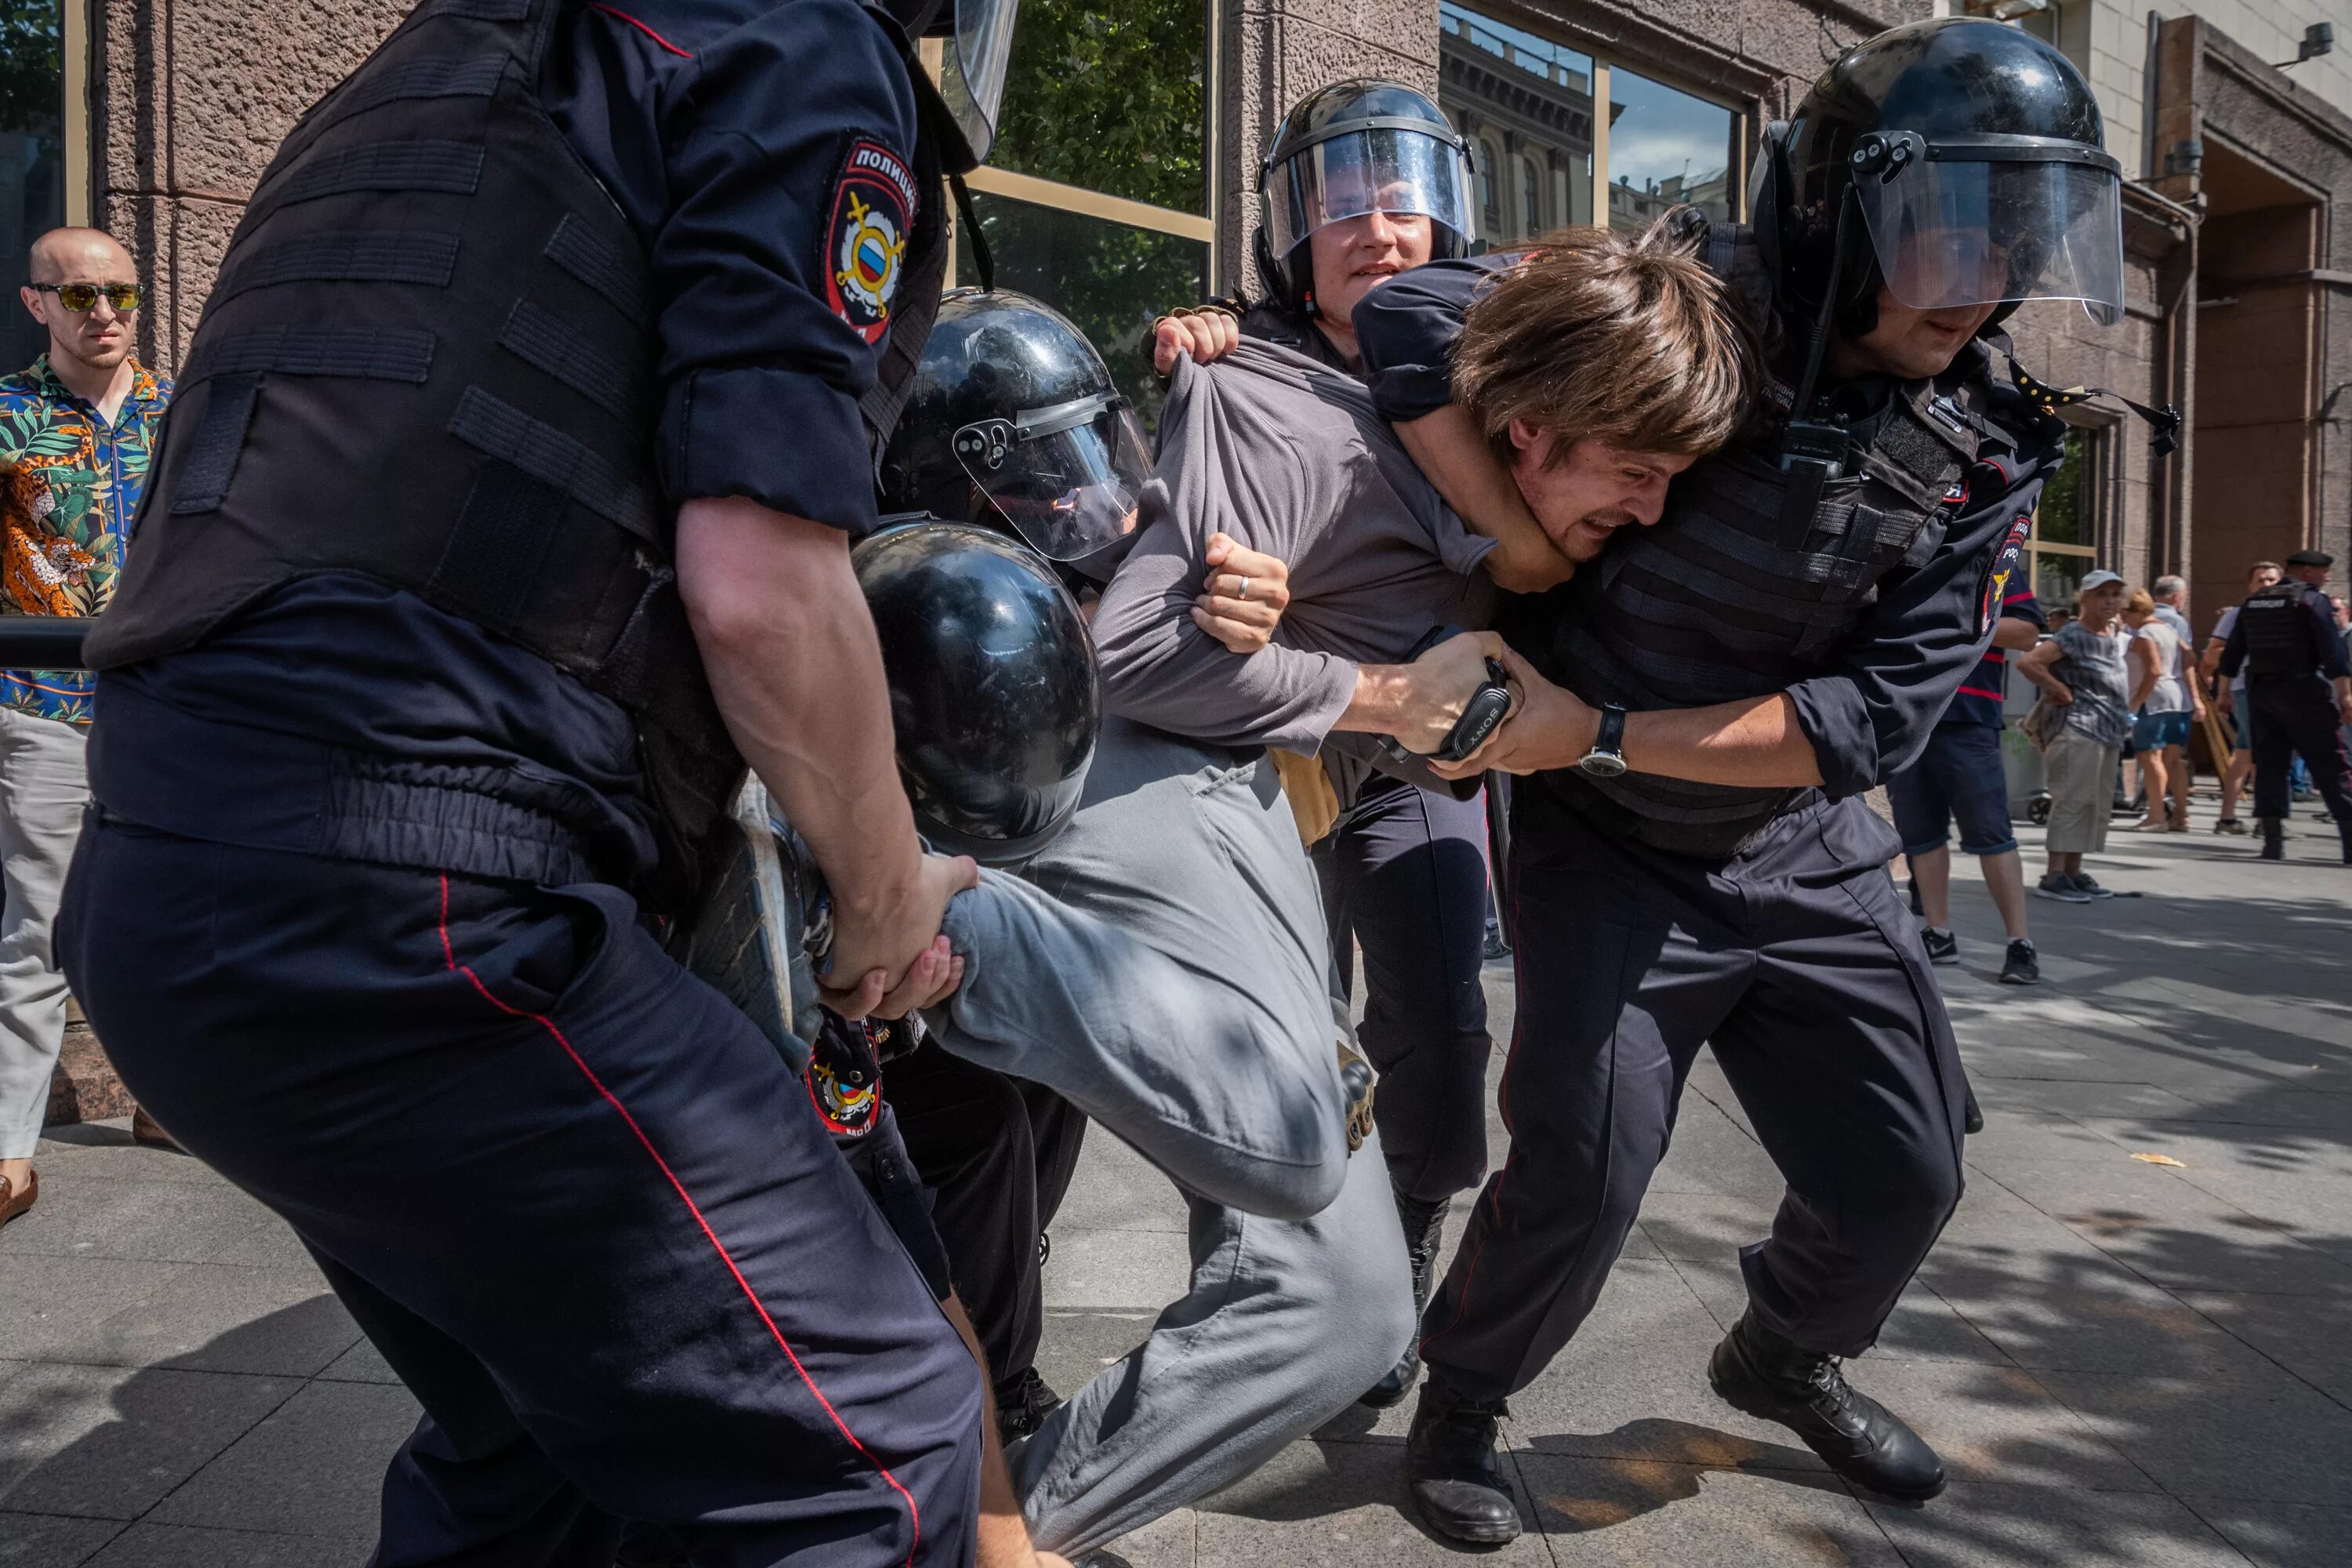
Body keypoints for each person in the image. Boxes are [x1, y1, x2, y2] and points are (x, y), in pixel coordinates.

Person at [57, 3, 1083, 1563]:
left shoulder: (436, 66)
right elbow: (760, 586)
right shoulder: (800, 47)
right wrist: (882, 897)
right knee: (878, 1454)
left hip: (172, 874)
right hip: (427, 898)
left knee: (548, 1466)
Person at [1346, 17, 2137, 1543]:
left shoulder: (1979, 439)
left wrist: (1596, 726)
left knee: (1905, 1166)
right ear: (1846, 205)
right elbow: (1411, 322)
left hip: (1802, 838)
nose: (1986, 277)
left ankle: (1784, 1351)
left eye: (2021, 236)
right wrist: (1512, 552)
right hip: (1609, 849)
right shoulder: (1692, 299)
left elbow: (1872, 717)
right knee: (1582, 1164)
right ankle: (1459, 1394)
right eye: (1954, 227)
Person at [1147, 78, 1564, 1410]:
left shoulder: (1493, 369)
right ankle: (1251, 1288)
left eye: (1406, 199)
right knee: (1254, 1043)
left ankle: (1406, 1234)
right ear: (1290, 229)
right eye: (1342, 201)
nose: (1380, 229)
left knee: (1441, 1025)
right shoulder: (1231, 361)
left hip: (1417, 765)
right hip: (1262, 755)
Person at [0, 227, 172, 1227]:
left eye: (119, 292)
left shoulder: (180, 409)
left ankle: (163, 1103)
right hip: (45, 707)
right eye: (78, 296)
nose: (102, 312)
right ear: (37, 304)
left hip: (170, 702)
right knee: (39, 930)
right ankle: (11, 1151)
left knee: (164, 911)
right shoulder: (10, 417)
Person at [1886, 558, 2044, 985]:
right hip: (1908, 718)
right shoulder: (1908, 555)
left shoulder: (1995, 556)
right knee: (1921, 835)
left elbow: (2028, 633)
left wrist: (1958, 622)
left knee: (1991, 833)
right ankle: (1939, 933)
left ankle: (2020, 943)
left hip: (1969, 719)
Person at [2215, 548, 2352, 862]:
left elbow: (2232, 653)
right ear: (2306, 572)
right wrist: (2345, 695)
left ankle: (2272, 843)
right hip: (2305, 693)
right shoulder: (2311, 600)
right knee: (2334, 764)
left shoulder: (2255, 602)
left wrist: (2223, 692)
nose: (2326, 578)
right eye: (2323, 572)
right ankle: (2350, 844)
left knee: (2270, 766)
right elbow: (2333, 652)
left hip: (2262, 695)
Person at [2018, 572, 2140, 899]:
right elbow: (2030, 662)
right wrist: (2058, 688)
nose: (2111, 600)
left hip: (2106, 730)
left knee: (2095, 803)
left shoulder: (2111, 632)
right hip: (2078, 727)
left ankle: (2074, 871)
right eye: (2102, 594)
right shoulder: (2073, 633)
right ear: (2084, 598)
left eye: (2116, 594)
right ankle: (2055, 874)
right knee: (2071, 800)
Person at [2205, 560, 2283, 833]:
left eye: (2272, 580)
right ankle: (2264, 820)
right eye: (2260, 580)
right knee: (2260, 754)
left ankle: (2229, 818)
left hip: (2272, 690)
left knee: (2244, 753)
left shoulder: (2285, 613)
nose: (2266, 585)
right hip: (2245, 689)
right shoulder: (2238, 615)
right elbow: (2212, 653)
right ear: (2250, 585)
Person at [2122, 586, 2200, 832]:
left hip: (2153, 699)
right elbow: (2190, 658)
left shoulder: (2145, 633)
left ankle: (2156, 816)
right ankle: (2181, 815)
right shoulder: (2168, 628)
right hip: (2177, 697)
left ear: (2134, 611)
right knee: (2174, 759)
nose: (2124, 619)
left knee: (2150, 756)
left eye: (2125, 614)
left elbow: (2154, 670)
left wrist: (2136, 702)